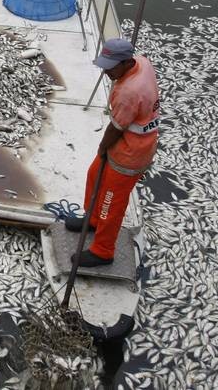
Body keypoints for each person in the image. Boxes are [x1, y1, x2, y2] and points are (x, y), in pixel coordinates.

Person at [67, 38, 160, 267]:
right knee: (94, 174)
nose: (106, 71)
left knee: (111, 202)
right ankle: (93, 219)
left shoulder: (129, 91)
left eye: (111, 66)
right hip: (125, 144)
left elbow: (115, 129)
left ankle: (103, 251)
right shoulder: (142, 63)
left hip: (130, 154)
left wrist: (102, 148)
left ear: (126, 62)